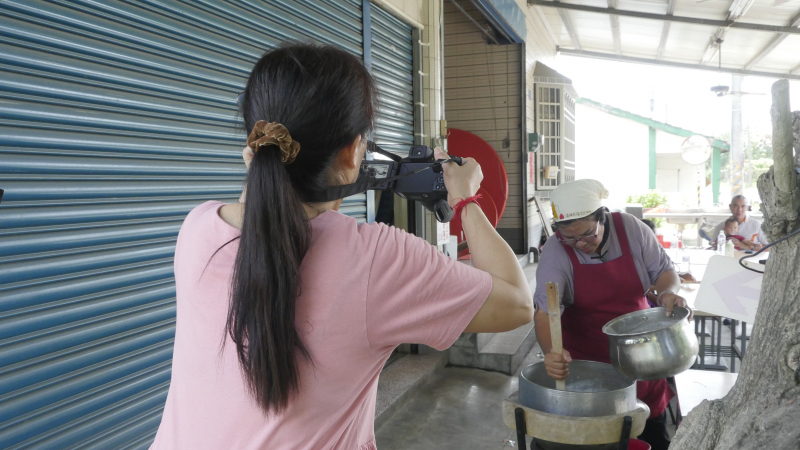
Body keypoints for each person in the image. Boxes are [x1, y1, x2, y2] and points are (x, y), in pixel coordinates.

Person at [150, 43, 533, 450]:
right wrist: (465, 200)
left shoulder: (196, 229)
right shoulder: (376, 259)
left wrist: (265, 177)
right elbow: (517, 302)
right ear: (353, 153)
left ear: (254, 146)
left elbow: (266, 221)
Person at [534, 179, 691, 450]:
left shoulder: (631, 229)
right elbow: (545, 313)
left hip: (643, 355)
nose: (580, 243)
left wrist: (667, 292)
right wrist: (551, 352)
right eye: (570, 238)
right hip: (588, 368)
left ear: (602, 217)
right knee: (599, 438)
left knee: (651, 431)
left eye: (587, 234)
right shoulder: (555, 252)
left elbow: (665, 271)